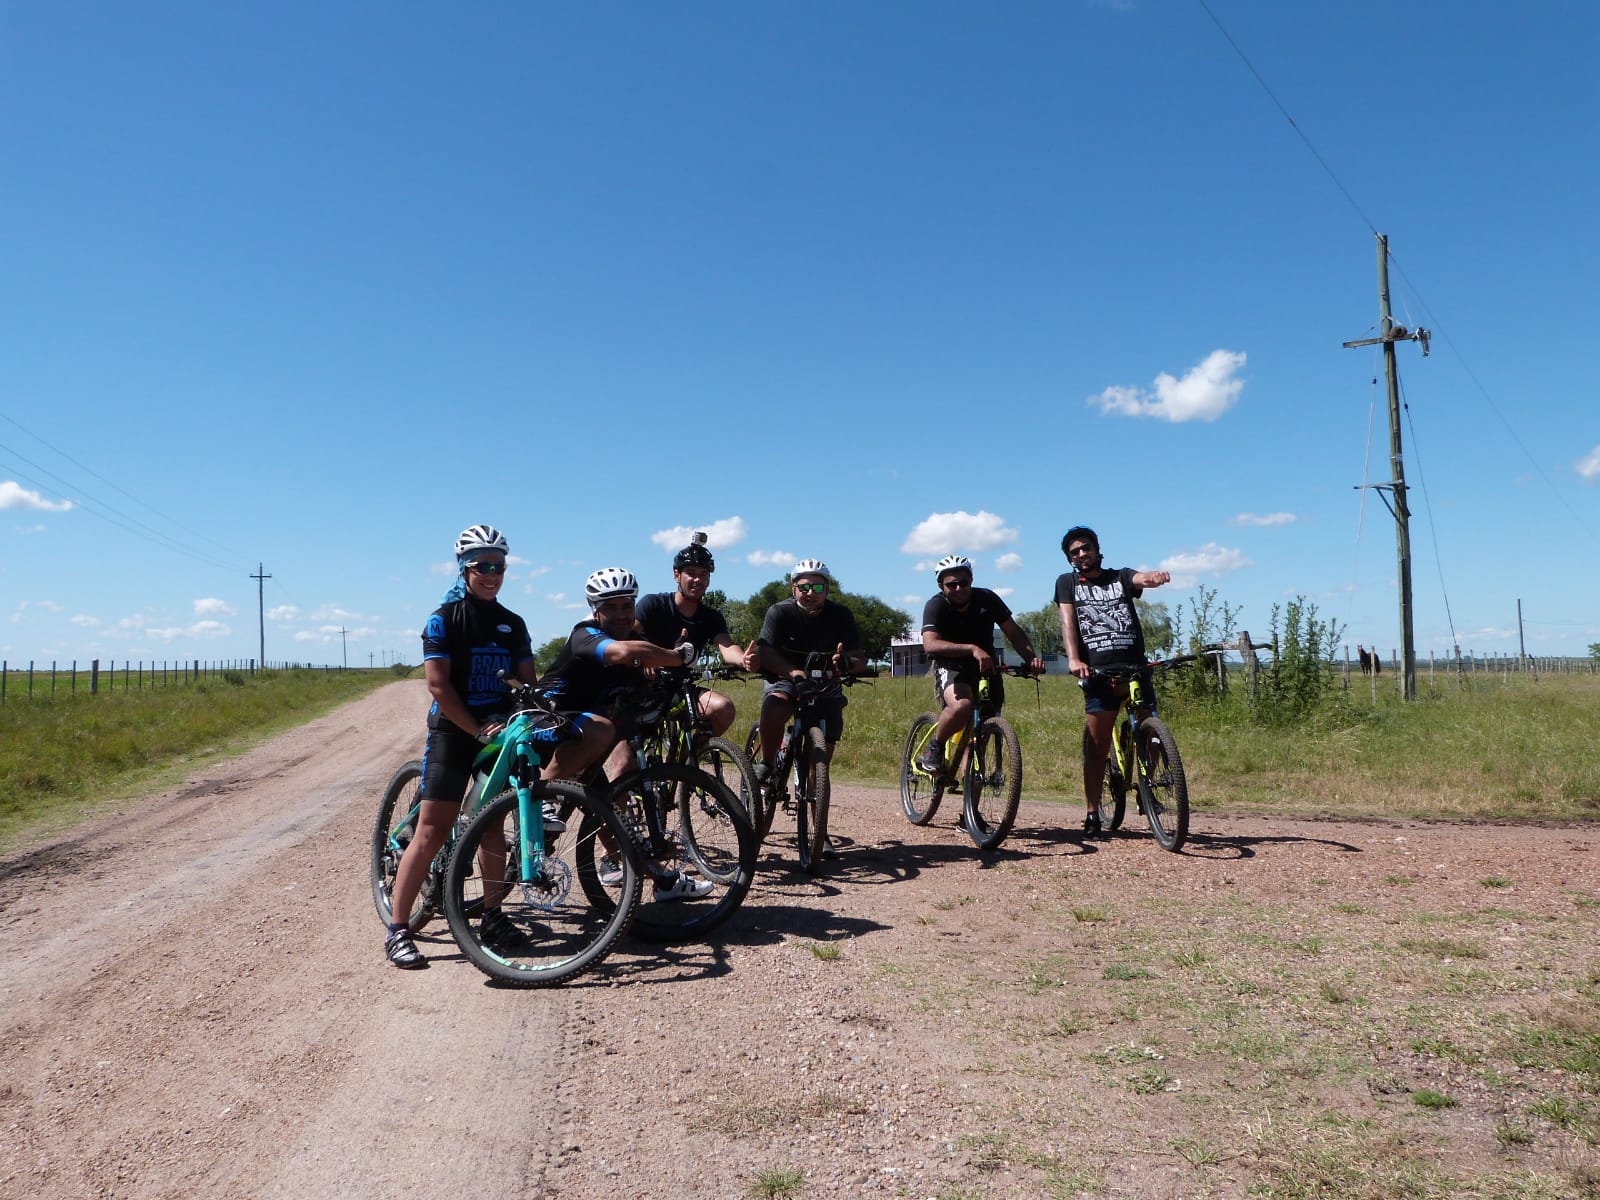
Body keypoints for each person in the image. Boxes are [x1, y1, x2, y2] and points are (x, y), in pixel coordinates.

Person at [385, 524, 540, 970]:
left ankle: (492, 915)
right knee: (432, 830)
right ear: (465, 568)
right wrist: (474, 728)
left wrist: (533, 711)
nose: (493, 574)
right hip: (455, 731)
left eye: (500, 566)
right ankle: (398, 929)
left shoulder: (514, 623)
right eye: (484, 566)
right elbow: (437, 685)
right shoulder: (444, 618)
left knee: (491, 826)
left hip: (496, 731)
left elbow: (526, 681)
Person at [533, 565, 713, 901]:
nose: (620, 614)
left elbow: (645, 660)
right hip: (549, 724)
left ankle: (663, 881)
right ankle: (543, 799)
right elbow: (622, 653)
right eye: (610, 607)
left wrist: (660, 666)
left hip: (586, 738)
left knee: (615, 813)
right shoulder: (585, 634)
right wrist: (675, 656)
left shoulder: (638, 638)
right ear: (594, 609)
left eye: (627, 605)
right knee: (603, 753)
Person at [1054, 526, 1171, 838]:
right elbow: (1068, 621)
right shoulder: (1067, 583)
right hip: (1097, 673)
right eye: (1075, 551)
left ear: (1097, 549)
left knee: (1154, 733)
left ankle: (1148, 790)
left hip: (1134, 666)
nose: (1082, 554)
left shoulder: (1118, 576)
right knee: (1097, 747)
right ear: (1070, 558)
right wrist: (1074, 659)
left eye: (1086, 548)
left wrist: (1154, 577)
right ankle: (1093, 812)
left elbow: (1140, 578)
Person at [916, 555, 1044, 775]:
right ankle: (934, 747)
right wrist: (972, 649)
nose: (958, 588)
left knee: (979, 742)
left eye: (963, 583)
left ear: (971, 580)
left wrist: (1031, 658)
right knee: (962, 706)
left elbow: (1013, 632)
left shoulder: (987, 599)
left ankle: (971, 809)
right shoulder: (936, 605)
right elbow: (930, 644)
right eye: (951, 584)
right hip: (951, 666)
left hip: (986, 669)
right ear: (941, 586)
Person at [751, 559, 867, 795]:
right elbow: (765, 651)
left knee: (822, 754)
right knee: (775, 706)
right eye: (804, 587)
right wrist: (792, 673)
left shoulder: (841, 615)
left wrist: (848, 663)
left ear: (828, 589)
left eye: (817, 587)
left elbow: (858, 657)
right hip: (786, 675)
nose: (810, 593)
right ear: (793, 589)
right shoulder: (779, 612)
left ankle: (817, 826)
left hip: (825, 680)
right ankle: (768, 762)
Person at [634, 531, 751, 737]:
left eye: (704, 574)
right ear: (676, 575)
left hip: (682, 686)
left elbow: (726, 646)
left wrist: (743, 659)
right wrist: (644, 658)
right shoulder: (653, 604)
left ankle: (693, 759)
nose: (698, 579)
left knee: (723, 709)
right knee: (628, 761)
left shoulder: (711, 617)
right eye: (691, 572)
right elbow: (626, 635)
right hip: (644, 687)